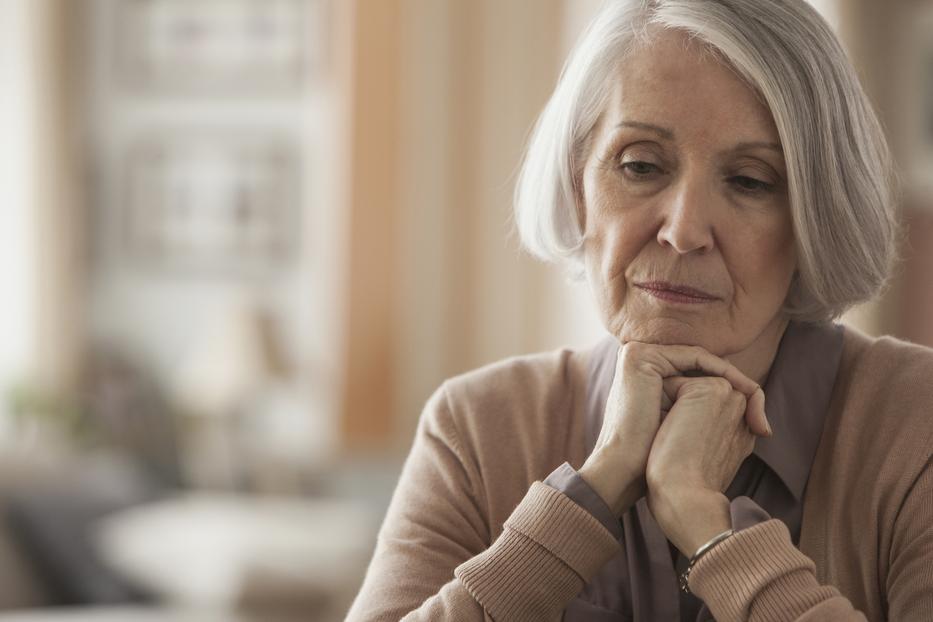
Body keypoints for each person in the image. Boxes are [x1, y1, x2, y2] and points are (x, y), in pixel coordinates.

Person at [345, 1, 933, 620]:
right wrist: (589, 495)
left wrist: (710, 530)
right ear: (579, 184)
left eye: (751, 180)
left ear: (815, 216)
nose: (683, 231)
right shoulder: (476, 429)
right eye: (641, 166)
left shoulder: (915, 426)